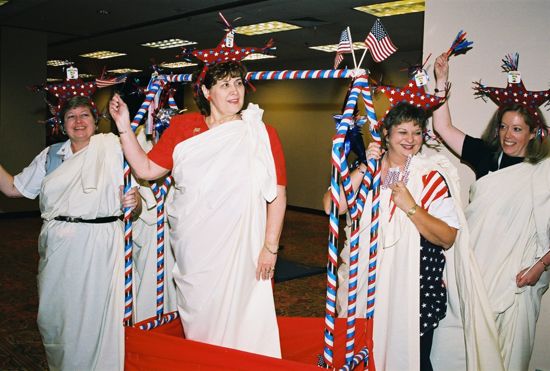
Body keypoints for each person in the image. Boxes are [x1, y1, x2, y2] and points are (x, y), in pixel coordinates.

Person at [109, 60, 287, 358]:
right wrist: (124, 127)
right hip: (195, 243)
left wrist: (270, 248)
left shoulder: (260, 132)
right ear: (206, 91)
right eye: (225, 84)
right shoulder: (181, 126)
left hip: (242, 246)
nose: (234, 91)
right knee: (201, 316)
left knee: (245, 317)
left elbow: (277, 195)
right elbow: (147, 168)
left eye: (239, 83)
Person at [0, 95, 140, 370]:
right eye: (71, 117)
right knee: (56, 317)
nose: (78, 122)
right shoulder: (51, 156)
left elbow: (139, 198)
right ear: (62, 125)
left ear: (96, 121)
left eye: (84, 115)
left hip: (102, 244)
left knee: (97, 316)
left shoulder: (115, 149)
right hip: (58, 245)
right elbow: (14, 189)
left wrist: (136, 203)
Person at [431, 53, 550, 370]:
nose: (508, 135)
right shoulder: (485, 154)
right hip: (471, 268)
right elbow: (442, 126)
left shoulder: (543, 172)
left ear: (533, 132)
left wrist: (540, 266)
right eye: (503, 127)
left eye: (517, 129)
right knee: (451, 346)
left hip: (515, 279)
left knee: (504, 354)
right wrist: (441, 81)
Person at [323, 102, 461, 371]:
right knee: (359, 353)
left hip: (415, 288)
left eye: (417, 132)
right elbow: (332, 206)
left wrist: (411, 207)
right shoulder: (368, 169)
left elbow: (447, 237)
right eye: (402, 132)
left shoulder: (430, 176)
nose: (410, 140)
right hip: (364, 282)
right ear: (385, 133)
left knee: (410, 360)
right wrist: (364, 166)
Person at [131, 126, 178, 323]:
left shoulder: (181, 138)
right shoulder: (140, 138)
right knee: (148, 284)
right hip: (147, 228)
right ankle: (146, 324)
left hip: (178, 227)